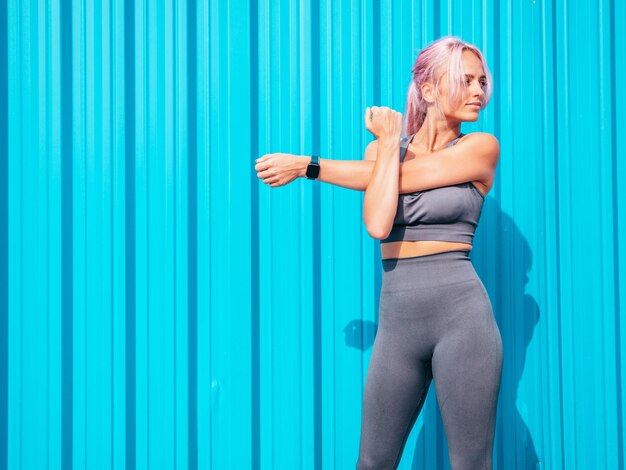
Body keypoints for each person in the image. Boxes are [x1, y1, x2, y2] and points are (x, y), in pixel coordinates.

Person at [255, 36, 503, 470]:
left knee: (470, 464)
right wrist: (388, 145)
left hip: (463, 319)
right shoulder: (383, 151)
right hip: (398, 326)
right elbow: (377, 224)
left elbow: (405, 178)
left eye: (482, 81)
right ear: (428, 90)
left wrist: (307, 165)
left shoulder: (480, 148)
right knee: (372, 463)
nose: (478, 91)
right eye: (465, 81)